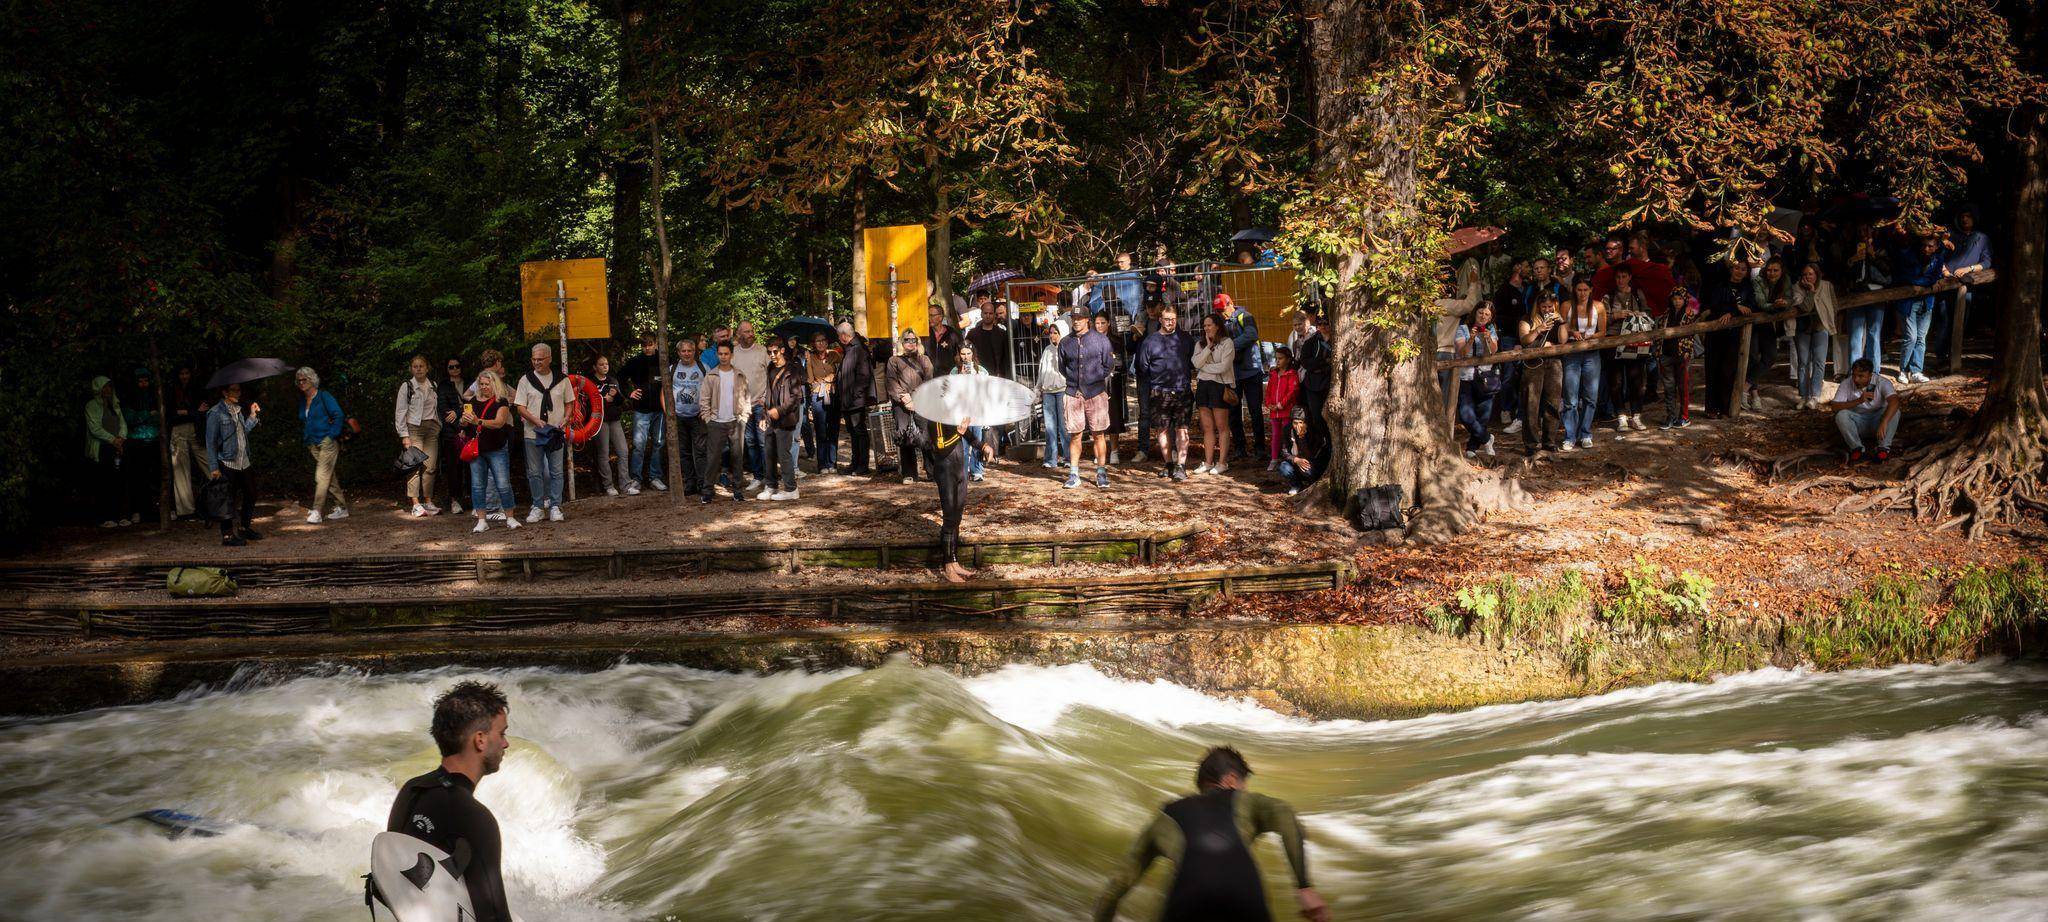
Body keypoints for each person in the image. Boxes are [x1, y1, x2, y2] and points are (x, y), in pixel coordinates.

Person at [1093, 746, 1328, 922]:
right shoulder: (1245, 800)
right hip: (1244, 900)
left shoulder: (1165, 815)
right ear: (1231, 780)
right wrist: (1304, 887)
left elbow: (1116, 887)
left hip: (1184, 906)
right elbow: (1285, 815)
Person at [387, 681, 515, 922]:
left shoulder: (412, 791)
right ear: (480, 740)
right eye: (502, 733)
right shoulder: (474, 817)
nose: (506, 743)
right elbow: (493, 917)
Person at [1137, 305, 1198, 480]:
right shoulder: (1150, 341)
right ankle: (1168, 464)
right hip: (1159, 392)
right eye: (1166, 319)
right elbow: (1143, 367)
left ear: (1176, 319)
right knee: (1162, 430)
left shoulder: (1186, 339)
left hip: (1182, 391)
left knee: (1182, 429)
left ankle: (1181, 465)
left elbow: (1193, 363)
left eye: (1172, 318)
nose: (1170, 322)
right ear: (1160, 320)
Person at [512, 343, 571, 523]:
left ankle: (555, 506)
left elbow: (569, 403)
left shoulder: (562, 380)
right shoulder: (526, 380)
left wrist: (566, 418)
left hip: (555, 432)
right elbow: (520, 407)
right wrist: (535, 420)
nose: (536, 362)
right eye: (534, 359)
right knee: (535, 472)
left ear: (549, 359)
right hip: (533, 432)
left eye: (540, 359)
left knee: (556, 471)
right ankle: (537, 506)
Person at [1061, 311, 1117, 488]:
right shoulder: (1065, 342)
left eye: (1079, 319)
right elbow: (1062, 367)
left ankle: (1101, 472)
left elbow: (1108, 365)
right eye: (1073, 319)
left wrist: (1094, 379)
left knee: (1098, 434)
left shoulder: (1101, 340)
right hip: (1073, 393)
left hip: (1096, 392)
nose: (1076, 322)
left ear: (1087, 320)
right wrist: (1075, 384)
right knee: (1075, 435)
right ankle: (1074, 474)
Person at [1698, 259, 1757, 418]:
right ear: (1731, 269)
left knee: (1727, 372)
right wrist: (1735, 307)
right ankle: (1712, 409)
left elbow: (1751, 307)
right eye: (1737, 268)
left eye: (1743, 269)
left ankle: (1725, 409)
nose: (1739, 271)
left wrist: (1733, 312)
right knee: (1713, 371)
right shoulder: (1720, 285)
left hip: (1734, 336)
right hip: (1716, 335)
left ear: (1747, 272)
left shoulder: (1748, 288)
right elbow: (1714, 306)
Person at [204, 382, 262, 546]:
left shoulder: (238, 410)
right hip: (227, 461)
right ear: (224, 392)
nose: (237, 393)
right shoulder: (215, 413)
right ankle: (227, 535)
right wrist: (214, 467)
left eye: (238, 390)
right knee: (227, 499)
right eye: (233, 390)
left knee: (251, 494)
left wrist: (252, 415)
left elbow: (243, 432)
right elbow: (211, 442)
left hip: (244, 461)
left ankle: (244, 527)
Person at [461, 371, 519, 532]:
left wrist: (477, 421)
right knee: (478, 485)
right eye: (482, 384)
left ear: (494, 384)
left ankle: (510, 517)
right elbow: (465, 423)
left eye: (487, 384)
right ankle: (481, 520)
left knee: (503, 483)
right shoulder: (473, 400)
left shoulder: (502, 402)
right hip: (477, 450)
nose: (484, 387)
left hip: (497, 448)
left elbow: (499, 423)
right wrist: (464, 421)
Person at [928, 408, 980, 583]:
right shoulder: (935, 417)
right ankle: (948, 565)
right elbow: (941, 447)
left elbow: (967, 434)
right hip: (946, 472)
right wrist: (959, 432)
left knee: (957, 518)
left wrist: (983, 446)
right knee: (949, 519)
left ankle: (955, 561)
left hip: (959, 470)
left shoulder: (953, 412)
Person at [1891, 234, 1951, 384]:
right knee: (1910, 337)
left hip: (1926, 303)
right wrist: (1930, 281)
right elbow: (1908, 278)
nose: (1926, 248)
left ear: (1936, 247)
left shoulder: (1938, 258)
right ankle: (1903, 370)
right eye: (1924, 245)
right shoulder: (1909, 256)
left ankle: (1917, 370)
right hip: (1908, 303)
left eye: (1930, 246)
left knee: (1921, 338)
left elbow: (1936, 275)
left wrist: (1930, 280)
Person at [698, 341, 751, 503]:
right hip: (716, 423)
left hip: (736, 422)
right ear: (717, 355)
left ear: (731, 355)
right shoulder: (712, 375)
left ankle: (737, 491)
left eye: (726, 354)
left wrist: (744, 417)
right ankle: (707, 491)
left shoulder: (739, 375)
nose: (723, 357)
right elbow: (704, 399)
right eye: (720, 354)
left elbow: (746, 398)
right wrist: (708, 419)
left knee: (737, 458)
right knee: (713, 459)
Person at [295, 366, 350, 524]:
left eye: (304, 379)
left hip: (327, 442)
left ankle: (317, 511)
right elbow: (305, 421)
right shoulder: (303, 400)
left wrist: (330, 435)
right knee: (328, 476)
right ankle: (342, 508)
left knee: (321, 476)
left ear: (312, 379)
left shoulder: (324, 396)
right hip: (312, 443)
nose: (301, 382)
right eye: (299, 380)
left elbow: (338, 415)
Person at [1215, 294, 1266, 462]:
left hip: (1251, 370)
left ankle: (1260, 448)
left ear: (1231, 305)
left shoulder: (1246, 316)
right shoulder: (1219, 321)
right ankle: (1239, 448)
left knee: (1255, 411)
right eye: (1218, 311)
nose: (1222, 314)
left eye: (1223, 310)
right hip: (1231, 373)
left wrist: (1230, 346)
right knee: (1233, 412)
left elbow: (1251, 335)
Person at [1825, 359, 1903, 463]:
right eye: (1854, 375)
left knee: (1895, 412)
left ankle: (1883, 449)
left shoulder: (1882, 382)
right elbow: (1834, 407)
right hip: (1858, 424)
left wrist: (1884, 421)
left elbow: (1895, 401)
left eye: (1861, 376)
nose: (1856, 379)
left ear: (1870, 375)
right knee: (1841, 415)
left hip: (1878, 424)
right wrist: (1858, 401)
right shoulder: (1846, 383)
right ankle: (1857, 448)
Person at [1836, 222, 1891, 370]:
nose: (1862, 233)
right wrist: (1853, 259)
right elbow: (1841, 272)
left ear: (1872, 231)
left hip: (1876, 294)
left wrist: (1873, 256)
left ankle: (1874, 370)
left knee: (1874, 334)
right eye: (1859, 230)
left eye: (1865, 229)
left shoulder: (1881, 249)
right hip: (1855, 294)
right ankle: (1856, 370)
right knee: (1855, 335)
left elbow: (1888, 271)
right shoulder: (1850, 248)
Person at [1606, 266, 1655, 431]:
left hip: (1636, 341)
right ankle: (1621, 416)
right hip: (1613, 342)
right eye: (1618, 277)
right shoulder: (1609, 296)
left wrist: (1640, 315)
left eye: (1624, 276)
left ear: (1629, 277)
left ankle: (1636, 416)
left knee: (1637, 380)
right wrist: (1615, 316)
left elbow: (1648, 312)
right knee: (1616, 382)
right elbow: (1601, 319)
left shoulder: (1637, 294)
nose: (1620, 280)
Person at [1559, 278, 1606, 449]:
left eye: (1586, 289)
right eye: (1579, 289)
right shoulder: (1566, 305)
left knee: (1590, 396)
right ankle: (1570, 436)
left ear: (1591, 290)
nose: (1582, 293)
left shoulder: (1599, 306)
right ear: (1574, 289)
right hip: (1571, 352)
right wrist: (1572, 331)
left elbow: (1603, 332)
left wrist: (1590, 336)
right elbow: (1561, 328)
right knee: (1570, 397)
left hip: (1592, 353)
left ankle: (1585, 433)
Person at [884, 329, 935, 484]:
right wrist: (905, 398)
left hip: (922, 401)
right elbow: (891, 382)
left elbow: (929, 381)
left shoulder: (924, 360)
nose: (910, 343)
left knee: (926, 436)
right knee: (905, 435)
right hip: (901, 403)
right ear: (902, 342)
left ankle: (932, 472)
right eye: (907, 340)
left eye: (914, 340)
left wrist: (916, 399)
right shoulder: (894, 360)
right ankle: (909, 473)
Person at [395, 355, 443, 517]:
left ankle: (428, 501)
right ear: (411, 369)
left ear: (427, 368)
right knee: (414, 466)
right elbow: (400, 412)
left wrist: (439, 425)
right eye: (415, 366)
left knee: (430, 467)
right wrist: (404, 435)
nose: (418, 369)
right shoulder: (407, 386)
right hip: (414, 429)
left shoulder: (433, 386)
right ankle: (415, 504)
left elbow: (438, 408)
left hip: (432, 429)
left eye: (421, 366)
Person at [758, 339, 807, 500]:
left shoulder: (793, 370)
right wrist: (765, 414)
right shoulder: (771, 368)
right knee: (769, 452)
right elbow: (769, 393)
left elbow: (795, 397)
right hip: (772, 417)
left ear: (782, 351)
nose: (772, 355)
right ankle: (771, 486)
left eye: (775, 352)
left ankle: (791, 489)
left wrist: (778, 411)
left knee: (783, 453)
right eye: (769, 352)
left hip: (787, 418)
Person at [619, 335, 668, 493]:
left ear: (656, 344)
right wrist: (629, 393)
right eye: (644, 345)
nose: (647, 348)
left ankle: (655, 477)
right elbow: (619, 377)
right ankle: (636, 479)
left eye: (650, 344)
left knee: (659, 443)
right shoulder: (635, 361)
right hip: (642, 410)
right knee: (639, 445)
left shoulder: (663, 359)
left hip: (660, 410)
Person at [1787, 263, 1840, 408]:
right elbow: (1805, 307)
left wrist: (1830, 322)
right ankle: (1804, 396)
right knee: (1803, 362)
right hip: (1803, 328)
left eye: (1810, 274)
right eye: (1805, 274)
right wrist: (1810, 292)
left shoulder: (1826, 285)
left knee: (1819, 362)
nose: (1807, 277)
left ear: (1817, 274)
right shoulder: (1796, 287)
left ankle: (1815, 396)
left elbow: (1834, 305)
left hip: (1821, 327)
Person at [1519, 293, 1566, 452]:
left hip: (1554, 363)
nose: (1547, 310)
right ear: (1538, 306)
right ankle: (1531, 445)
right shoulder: (1528, 319)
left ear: (1555, 305)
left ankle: (1549, 442)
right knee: (1531, 404)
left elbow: (1564, 340)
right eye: (1544, 306)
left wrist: (1562, 323)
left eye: (1550, 307)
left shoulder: (1558, 320)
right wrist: (1538, 329)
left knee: (1553, 404)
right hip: (1533, 364)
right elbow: (1524, 340)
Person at [1191, 312, 1237, 475]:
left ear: (1218, 326)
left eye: (1209, 325)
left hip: (1220, 387)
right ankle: (1208, 462)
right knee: (1208, 427)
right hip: (1203, 386)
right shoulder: (1200, 344)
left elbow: (1224, 367)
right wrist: (1209, 348)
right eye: (1204, 325)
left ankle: (1222, 462)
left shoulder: (1227, 343)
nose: (1206, 328)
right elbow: (1196, 363)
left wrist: (1204, 368)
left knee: (1222, 426)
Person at [1454, 302, 1502, 457]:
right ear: (1475, 313)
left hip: (1486, 377)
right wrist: (1471, 339)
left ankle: (1472, 448)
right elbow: (1462, 353)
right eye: (1481, 312)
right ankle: (1487, 439)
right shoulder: (1463, 329)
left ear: (1490, 318)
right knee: (1465, 415)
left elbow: (1492, 353)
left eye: (1487, 314)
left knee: (1483, 416)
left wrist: (1487, 339)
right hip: (1466, 377)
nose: (1483, 316)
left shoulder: (1491, 330)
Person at [1745, 257, 1792, 411]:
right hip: (1755, 321)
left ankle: (1744, 388)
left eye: (1775, 270)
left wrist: (1784, 304)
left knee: (1770, 356)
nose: (1771, 273)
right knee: (1752, 357)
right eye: (1769, 270)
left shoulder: (1785, 280)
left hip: (1767, 323)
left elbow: (1790, 298)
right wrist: (1775, 305)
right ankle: (1754, 395)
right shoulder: (1758, 280)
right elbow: (1761, 303)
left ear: (1781, 271)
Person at [728, 321, 770, 489]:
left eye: (752, 331)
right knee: (749, 442)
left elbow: (772, 374)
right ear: (739, 334)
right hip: (742, 405)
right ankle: (757, 476)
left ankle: (769, 477)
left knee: (763, 441)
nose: (751, 334)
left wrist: (766, 398)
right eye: (746, 331)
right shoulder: (734, 353)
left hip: (760, 403)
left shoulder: (762, 351)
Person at [85, 375, 131, 527]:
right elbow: (94, 428)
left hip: (118, 447)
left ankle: (121, 515)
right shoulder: (91, 406)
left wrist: (121, 438)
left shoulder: (114, 404)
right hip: (103, 447)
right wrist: (113, 440)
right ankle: (106, 517)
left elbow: (123, 423)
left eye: (109, 387)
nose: (107, 390)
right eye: (104, 387)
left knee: (121, 480)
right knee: (105, 481)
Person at [166, 366, 210, 520]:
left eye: (187, 373)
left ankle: (222, 500)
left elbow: (204, 409)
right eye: (181, 373)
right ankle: (186, 511)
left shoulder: (197, 388)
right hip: (177, 431)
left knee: (210, 464)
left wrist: (186, 412)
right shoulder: (171, 390)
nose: (184, 376)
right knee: (180, 470)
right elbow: (170, 413)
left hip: (196, 431)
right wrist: (193, 412)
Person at [121, 368, 164, 525]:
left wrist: (146, 416)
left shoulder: (154, 396)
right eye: (140, 381)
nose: (143, 384)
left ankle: (153, 512)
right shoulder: (129, 398)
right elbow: (129, 418)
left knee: (154, 478)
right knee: (137, 478)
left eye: (146, 381)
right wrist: (147, 414)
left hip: (153, 441)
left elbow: (160, 417)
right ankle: (137, 511)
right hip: (136, 442)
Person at [950, 343, 995, 481]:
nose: (966, 357)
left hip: (977, 410)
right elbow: (950, 392)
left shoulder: (981, 370)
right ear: (959, 355)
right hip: (961, 412)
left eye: (968, 353)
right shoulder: (954, 371)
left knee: (977, 441)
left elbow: (988, 391)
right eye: (963, 354)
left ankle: (977, 471)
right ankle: (963, 472)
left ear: (973, 354)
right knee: (962, 444)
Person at [587, 354, 630, 496]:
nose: (605, 367)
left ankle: (625, 484)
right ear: (595, 367)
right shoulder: (590, 381)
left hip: (614, 419)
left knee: (623, 451)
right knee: (603, 454)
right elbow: (587, 402)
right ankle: (609, 485)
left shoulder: (613, 380)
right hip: (600, 422)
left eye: (606, 364)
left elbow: (620, 401)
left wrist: (615, 396)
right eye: (601, 364)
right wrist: (603, 399)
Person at [835, 322, 875, 476]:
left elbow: (864, 376)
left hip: (855, 401)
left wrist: (854, 395)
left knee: (859, 431)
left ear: (844, 335)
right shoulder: (849, 349)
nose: (839, 339)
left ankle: (862, 465)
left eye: (839, 336)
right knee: (853, 432)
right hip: (848, 400)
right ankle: (855, 462)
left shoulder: (859, 349)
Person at [1659, 287, 1702, 429]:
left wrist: (1687, 352)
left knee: (1682, 386)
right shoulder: (1666, 314)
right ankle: (1670, 416)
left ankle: (1684, 416)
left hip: (1682, 355)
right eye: (1674, 298)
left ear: (1685, 300)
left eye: (1680, 299)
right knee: (1668, 387)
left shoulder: (1690, 314)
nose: (1677, 302)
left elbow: (1691, 334)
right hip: (1666, 354)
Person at [669, 341, 706, 497]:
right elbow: (665, 392)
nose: (686, 353)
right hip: (679, 417)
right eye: (683, 351)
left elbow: (712, 389)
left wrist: (706, 409)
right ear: (678, 352)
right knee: (684, 452)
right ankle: (690, 483)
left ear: (694, 351)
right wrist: (669, 414)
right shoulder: (672, 369)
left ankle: (703, 484)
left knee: (701, 452)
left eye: (689, 350)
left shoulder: (703, 368)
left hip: (698, 417)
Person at [1293, 311, 1333, 458]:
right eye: (1320, 323)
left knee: (1330, 415)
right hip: (1312, 383)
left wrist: (1322, 364)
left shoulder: (1336, 340)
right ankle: (1323, 444)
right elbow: (1305, 361)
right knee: (1316, 416)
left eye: (1326, 323)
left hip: (1329, 383)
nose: (1323, 326)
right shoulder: (1312, 341)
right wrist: (1323, 362)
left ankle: (1331, 444)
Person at [436, 357, 469, 514]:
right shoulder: (443, 386)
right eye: (451, 367)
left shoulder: (470, 383)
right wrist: (458, 427)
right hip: (450, 433)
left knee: (471, 466)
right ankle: (455, 500)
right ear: (447, 369)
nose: (455, 369)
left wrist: (458, 413)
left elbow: (474, 403)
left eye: (457, 366)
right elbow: (444, 411)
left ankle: (472, 498)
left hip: (470, 429)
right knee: (453, 468)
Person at [1036, 319, 1069, 471]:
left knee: (1064, 426)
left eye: (1056, 333)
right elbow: (1041, 371)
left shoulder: (1067, 348)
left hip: (1063, 390)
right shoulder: (1047, 350)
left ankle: (1069, 456)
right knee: (1049, 426)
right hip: (1048, 391)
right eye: (1051, 333)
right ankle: (1051, 458)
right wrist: (1038, 388)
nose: (1053, 336)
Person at [807, 332, 840, 474]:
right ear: (813, 343)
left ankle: (832, 463)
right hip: (817, 395)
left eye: (823, 340)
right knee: (821, 430)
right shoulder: (811, 357)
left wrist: (830, 378)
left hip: (833, 393)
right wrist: (808, 362)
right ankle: (822, 464)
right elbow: (809, 379)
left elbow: (840, 373)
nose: (820, 343)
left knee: (833, 428)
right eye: (817, 341)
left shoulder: (835, 355)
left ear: (827, 342)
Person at [1263, 348, 1299, 471]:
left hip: (1286, 411)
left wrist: (1281, 405)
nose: (1277, 361)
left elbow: (1292, 391)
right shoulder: (1273, 374)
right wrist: (1269, 404)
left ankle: (1287, 459)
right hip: (1274, 411)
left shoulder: (1292, 374)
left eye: (1281, 358)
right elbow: (1268, 392)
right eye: (1276, 358)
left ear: (1288, 359)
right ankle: (1274, 459)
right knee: (1275, 435)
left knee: (1287, 436)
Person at [1276, 407, 1325, 495]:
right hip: (1295, 461)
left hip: (1310, 462)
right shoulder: (1287, 430)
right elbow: (1284, 451)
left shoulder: (1313, 432)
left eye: (1300, 423)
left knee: (1307, 470)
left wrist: (1301, 437)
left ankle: (1312, 484)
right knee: (1284, 467)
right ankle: (1296, 485)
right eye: (1295, 423)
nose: (1297, 426)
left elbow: (1311, 454)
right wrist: (1295, 460)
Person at [928, 305, 963, 376]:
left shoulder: (952, 334)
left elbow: (961, 353)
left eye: (932, 315)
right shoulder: (925, 334)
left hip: (947, 376)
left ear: (940, 317)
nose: (929, 318)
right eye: (928, 315)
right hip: (928, 377)